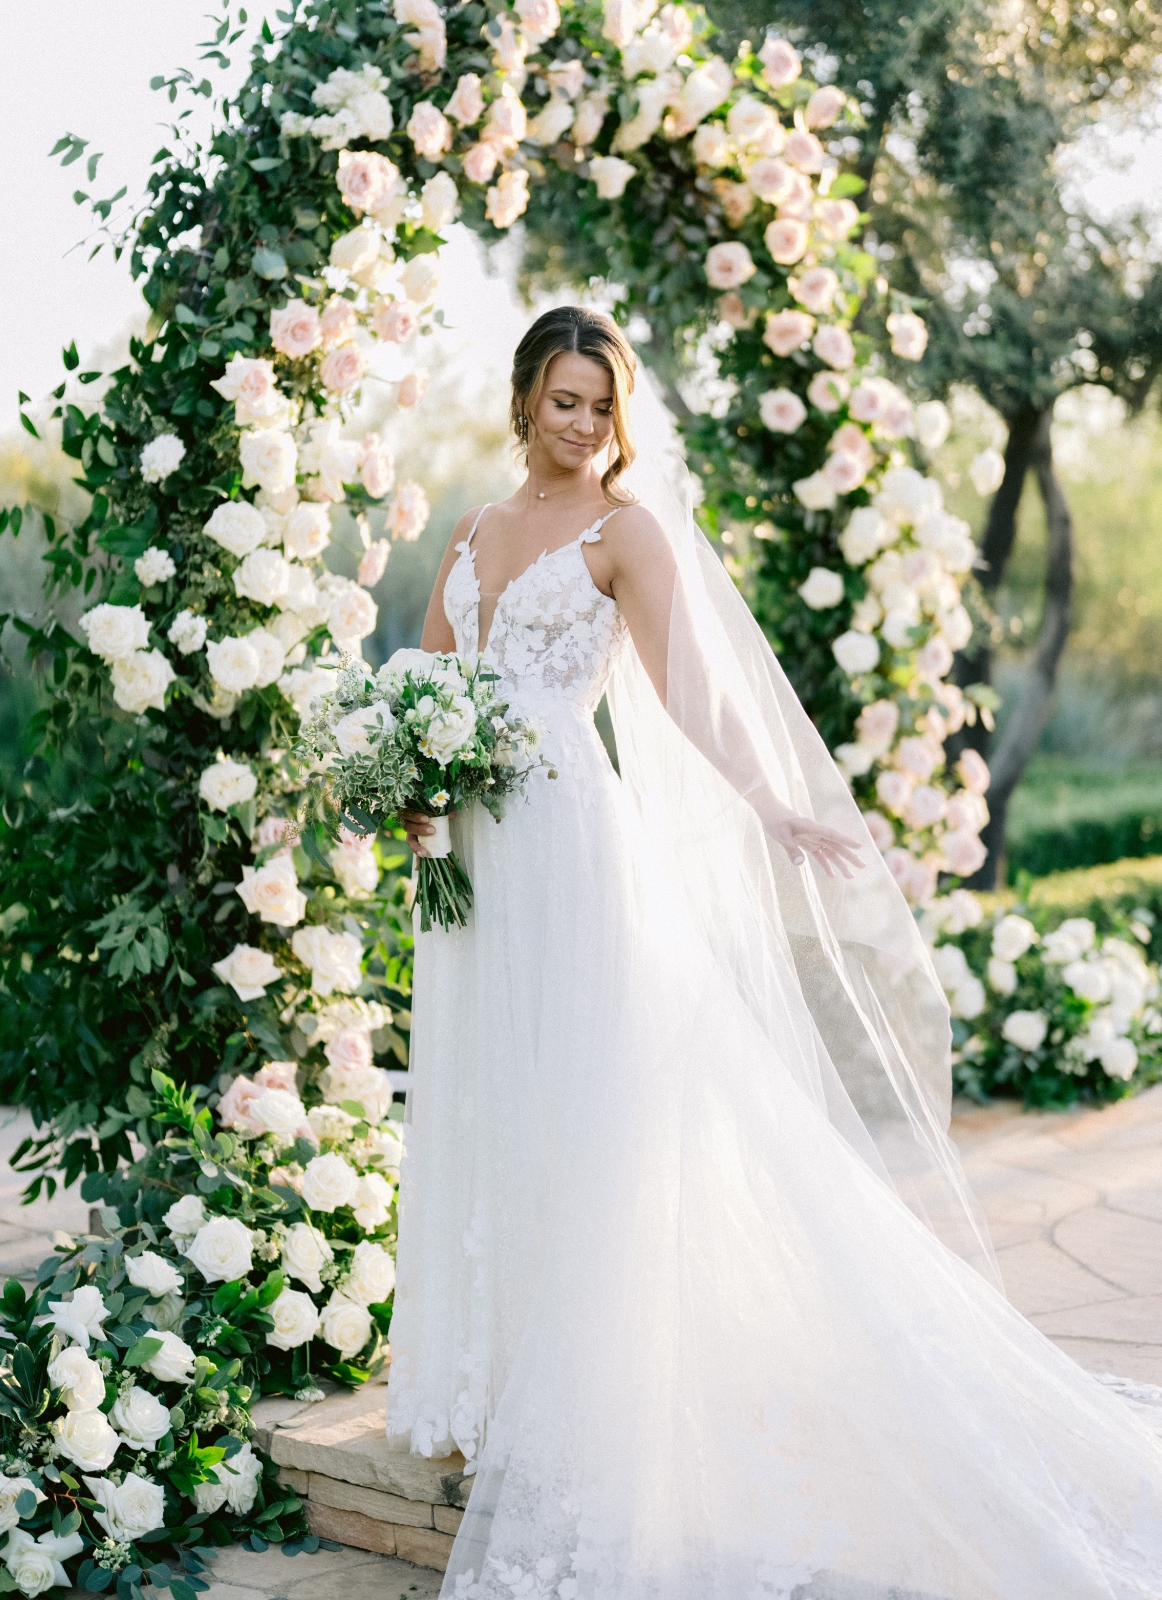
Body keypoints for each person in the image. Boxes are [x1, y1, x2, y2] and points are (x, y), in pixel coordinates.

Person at [386, 305, 1162, 1600]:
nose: (583, 425)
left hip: (574, 848)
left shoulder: (623, 532)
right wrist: (404, 788)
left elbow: (693, 689)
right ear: (523, 398)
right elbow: (425, 680)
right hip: (472, 860)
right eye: (564, 400)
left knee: (589, 1122)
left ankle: (594, 1410)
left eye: (602, 404)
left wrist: (767, 799)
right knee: (493, 1109)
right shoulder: (468, 533)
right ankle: (500, 1376)